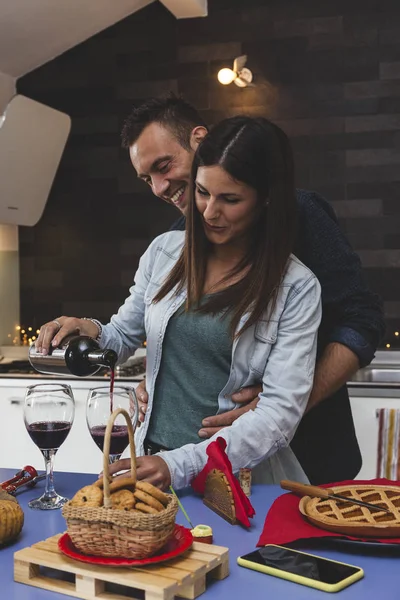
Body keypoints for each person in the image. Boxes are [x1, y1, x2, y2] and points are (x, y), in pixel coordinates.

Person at [36, 115, 322, 490]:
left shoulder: (296, 288)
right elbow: (122, 336)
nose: (209, 212)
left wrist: (179, 464)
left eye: (230, 199)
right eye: (203, 192)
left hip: (231, 481)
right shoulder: (163, 252)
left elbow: (278, 416)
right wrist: (89, 330)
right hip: (150, 464)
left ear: (266, 197)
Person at [118, 94, 386, 484]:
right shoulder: (175, 242)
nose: (159, 187)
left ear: (199, 140)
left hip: (305, 454)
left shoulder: (302, 220)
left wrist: (289, 401)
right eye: (147, 179)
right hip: (193, 469)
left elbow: (362, 321)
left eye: (164, 166)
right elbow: (166, 337)